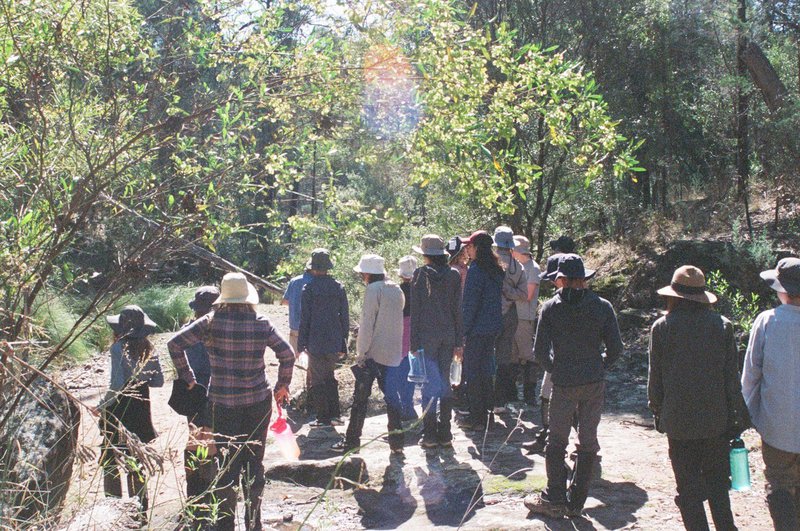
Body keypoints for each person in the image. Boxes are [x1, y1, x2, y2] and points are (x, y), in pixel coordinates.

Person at [168, 273, 295, 531]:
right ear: (248, 298)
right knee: (253, 463)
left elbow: (174, 344)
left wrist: (187, 375)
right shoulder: (261, 323)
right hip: (258, 403)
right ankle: (253, 522)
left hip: (222, 404)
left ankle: (225, 524)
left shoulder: (210, 322)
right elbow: (288, 354)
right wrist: (283, 385)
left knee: (226, 465)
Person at [525, 254, 623, 518]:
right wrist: (600, 365)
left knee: (557, 439)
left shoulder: (550, 308)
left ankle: (555, 498)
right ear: (583, 279)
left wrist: (555, 369)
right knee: (588, 440)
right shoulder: (602, 306)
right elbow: (616, 349)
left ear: (561, 280)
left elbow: (540, 352)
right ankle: (577, 502)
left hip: (564, 381)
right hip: (593, 381)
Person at [648, 265, 743, 531]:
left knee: (688, 491)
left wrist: (657, 411)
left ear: (673, 296)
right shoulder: (722, 326)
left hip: (679, 422)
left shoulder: (662, 328)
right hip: (716, 421)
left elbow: (656, 377)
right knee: (717, 487)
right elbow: (731, 378)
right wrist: (739, 416)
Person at [742, 257, 800, 530]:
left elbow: (751, 375)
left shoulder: (767, 321)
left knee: (779, 486)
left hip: (777, 425)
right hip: (778, 426)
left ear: (783, 290)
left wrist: (749, 416)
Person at [332, 254, 405, 454]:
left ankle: (352, 441)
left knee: (360, 399)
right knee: (392, 398)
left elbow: (367, 324)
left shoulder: (373, 290)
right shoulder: (396, 289)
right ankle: (397, 442)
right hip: (392, 353)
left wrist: (361, 352)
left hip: (373, 353)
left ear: (368, 273)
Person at [99, 305, 164, 514]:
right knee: (137, 457)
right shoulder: (150, 349)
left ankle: (114, 509)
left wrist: (101, 406)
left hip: (119, 407)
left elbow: (117, 385)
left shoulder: (117, 348)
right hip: (142, 405)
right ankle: (140, 509)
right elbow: (158, 382)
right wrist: (142, 375)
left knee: (110, 457)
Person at [171, 286, 219, 525]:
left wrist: (187, 377)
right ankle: (207, 489)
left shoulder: (187, 332)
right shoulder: (219, 330)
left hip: (192, 393)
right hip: (215, 393)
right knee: (209, 439)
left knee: (195, 438)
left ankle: (195, 491)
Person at [410, 234, 463, 449]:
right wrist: (459, 342)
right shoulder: (453, 275)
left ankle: (429, 434)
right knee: (445, 383)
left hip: (426, 338)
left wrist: (413, 344)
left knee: (428, 386)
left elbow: (416, 312)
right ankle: (446, 432)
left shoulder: (419, 275)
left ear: (425, 255)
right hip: (449, 336)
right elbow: (458, 311)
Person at [298, 248, 349, 427]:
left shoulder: (309, 288)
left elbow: (305, 318)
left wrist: (301, 344)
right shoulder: (338, 287)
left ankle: (322, 418)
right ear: (328, 267)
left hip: (315, 340)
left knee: (318, 379)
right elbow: (344, 317)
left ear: (313, 268)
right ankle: (335, 415)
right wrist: (344, 342)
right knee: (330, 376)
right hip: (334, 340)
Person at [459, 230, 504, 431]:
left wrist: (463, 332)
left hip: (476, 329)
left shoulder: (476, 270)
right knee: (486, 371)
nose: (467, 250)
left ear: (477, 247)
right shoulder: (495, 269)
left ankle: (477, 418)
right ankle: (487, 414)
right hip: (492, 328)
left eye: (469, 246)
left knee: (472, 372)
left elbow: (470, 304)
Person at [523, 253, 563, 454]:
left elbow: (540, 347)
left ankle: (551, 440)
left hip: (558, 363)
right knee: (546, 396)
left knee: (549, 397)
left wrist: (549, 366)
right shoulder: (598, 303)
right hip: (560, 362)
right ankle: (546, 437)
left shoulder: (555, 305)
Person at [492, 226, 528, 412]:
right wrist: (509, 292)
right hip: (510, 316)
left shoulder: (488, 263)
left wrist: (503, 290)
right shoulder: (518, 267)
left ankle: (486, 399)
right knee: (504, 358)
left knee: (487, 356)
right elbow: (523, 294)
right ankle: (500, 401)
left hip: (489, 315)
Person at [510, 235, 541, 406]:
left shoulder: (532, 268)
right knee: (512, 355)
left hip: (524, 318)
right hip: (513, 316)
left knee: (528, 355)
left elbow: (528, 295)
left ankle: (530, 395)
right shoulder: (516, 266)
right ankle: (512, 394)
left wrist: (507, 293)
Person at [396, 255, 418, 420]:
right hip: (419, 331)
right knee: (413, 370)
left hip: (402, 331)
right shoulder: (423, 288)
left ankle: (406, 406)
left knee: (403, 370)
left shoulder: (399, 290)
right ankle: (409, 406)